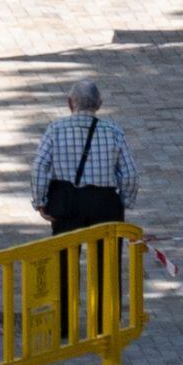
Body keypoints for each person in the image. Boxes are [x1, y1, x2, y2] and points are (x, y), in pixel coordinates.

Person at [31, 80, 140, 340]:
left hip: (67, 201)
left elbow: (39, 168)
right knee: (107, 263)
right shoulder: (113, 130)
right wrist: (124, 201)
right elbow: (130, 174)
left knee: (65, 263)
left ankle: (65, 325)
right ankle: (105, 322)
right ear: (99, 105)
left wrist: (40, 201)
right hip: (104, 203)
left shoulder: (55, 129)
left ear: (70, 103)